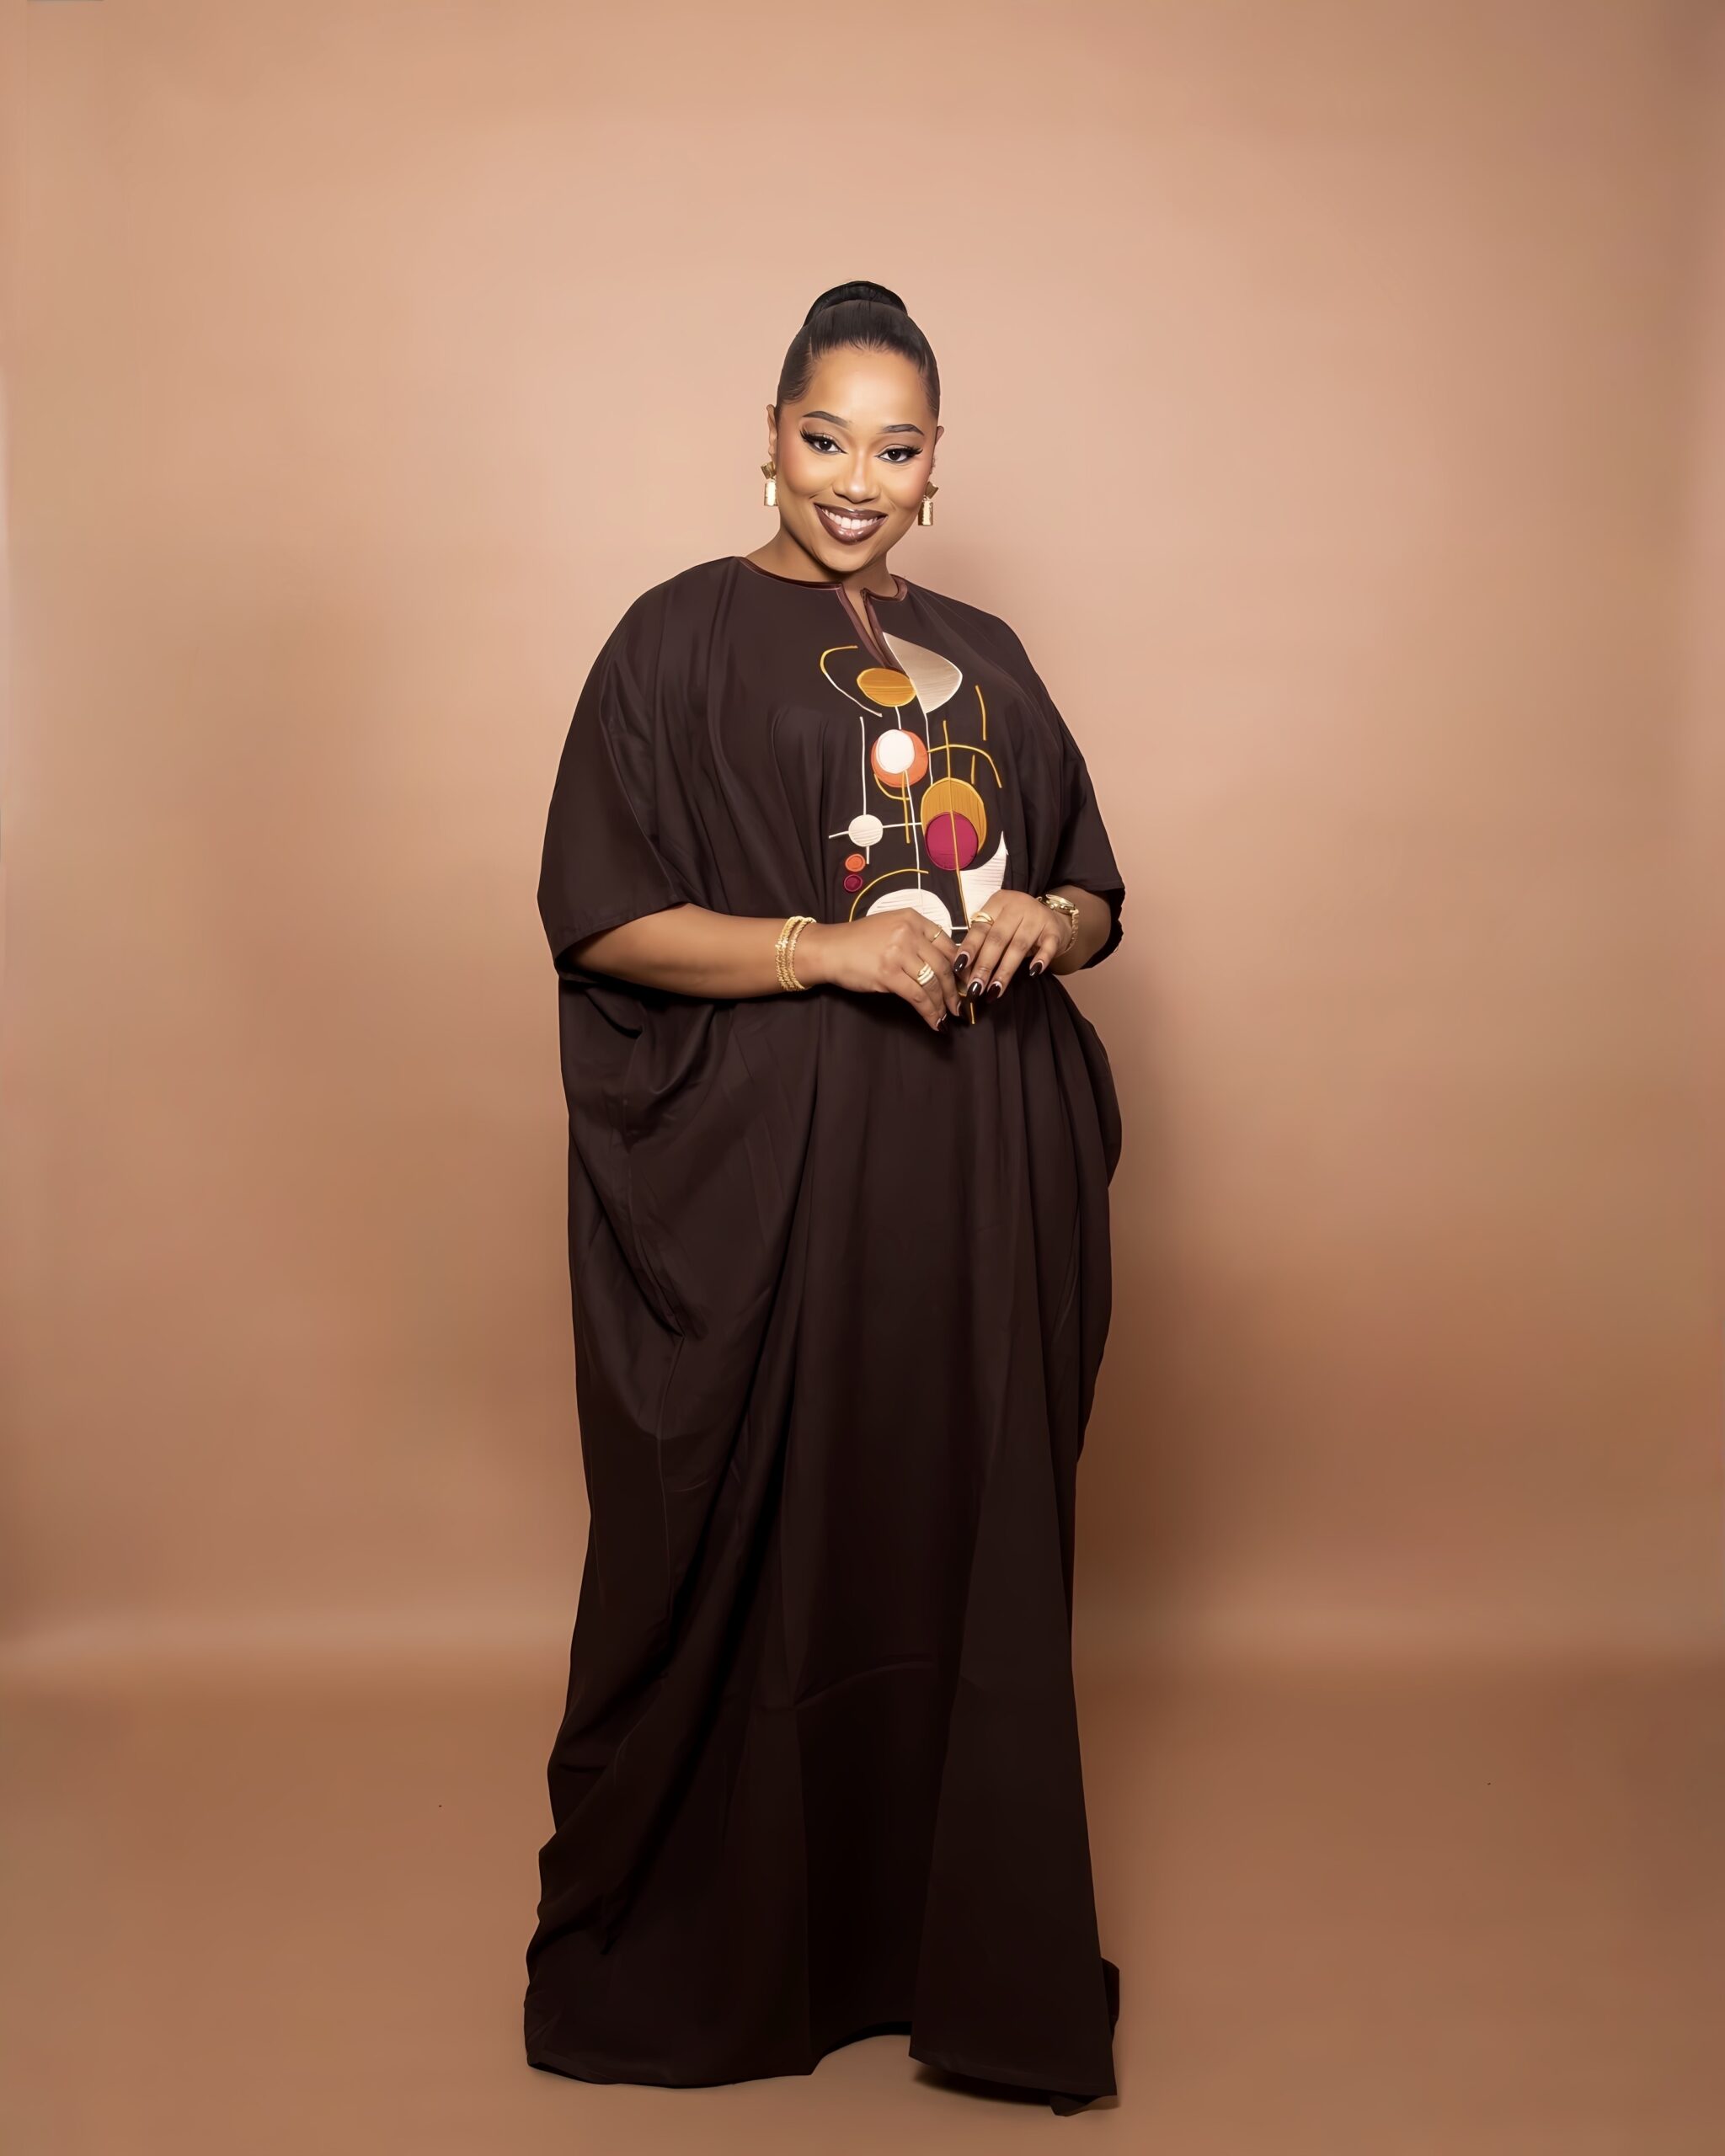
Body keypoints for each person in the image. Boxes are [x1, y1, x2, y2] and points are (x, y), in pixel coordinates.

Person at [522, 280, 1128, 2113]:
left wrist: (1046, 921)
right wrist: (824, 949)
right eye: (825, 437)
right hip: (776, 1190)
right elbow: (600, 916)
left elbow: (1096, 884)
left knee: (955, 1540)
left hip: (976, 1186)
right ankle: (726, 1958)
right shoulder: (673, 639)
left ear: (937, 467)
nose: (857, 479)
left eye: (896, 446)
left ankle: (959, 1957)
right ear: (770, 438)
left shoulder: (989, 651)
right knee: (772, 1553)